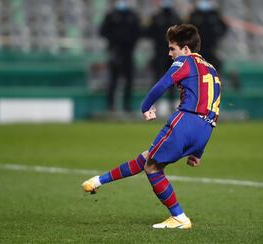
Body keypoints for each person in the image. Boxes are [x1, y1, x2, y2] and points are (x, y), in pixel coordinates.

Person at [82, 24, 221, 229]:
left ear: (185, 49)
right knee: (148, 157)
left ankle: (179, 218)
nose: (169, 53)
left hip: (186, 121)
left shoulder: (185, 61)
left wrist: (145, 106)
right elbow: (213, 105)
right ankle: (97, 181)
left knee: (152, 167)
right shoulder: (211, 68)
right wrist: (198, 151)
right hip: (206, 127)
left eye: (172, 48)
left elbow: (162, 84)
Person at [99, 0, 140, 112]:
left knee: (129, 82)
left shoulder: (132, 16)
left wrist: (130, 42)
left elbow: (138, 32)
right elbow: (102, 31)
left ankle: (127, 106)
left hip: (128, 52)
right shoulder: (111, 15)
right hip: (115, 51)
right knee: (113, 81)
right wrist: (114, 40)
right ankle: (110, 106)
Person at [144, 0, 182, 112]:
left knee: (173, 80)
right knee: (157, 80)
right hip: (159, 53)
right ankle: (154, 104)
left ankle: (172, 103)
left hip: (172, 54)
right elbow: (147, 32)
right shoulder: (156, 18)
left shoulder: (176, 18)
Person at [188, 0, 227, 73]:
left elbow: (223, 27)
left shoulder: (214, 14)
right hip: (198, 48)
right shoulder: (194, 15)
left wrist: (217, 36)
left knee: (213, 66)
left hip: (211, 47)